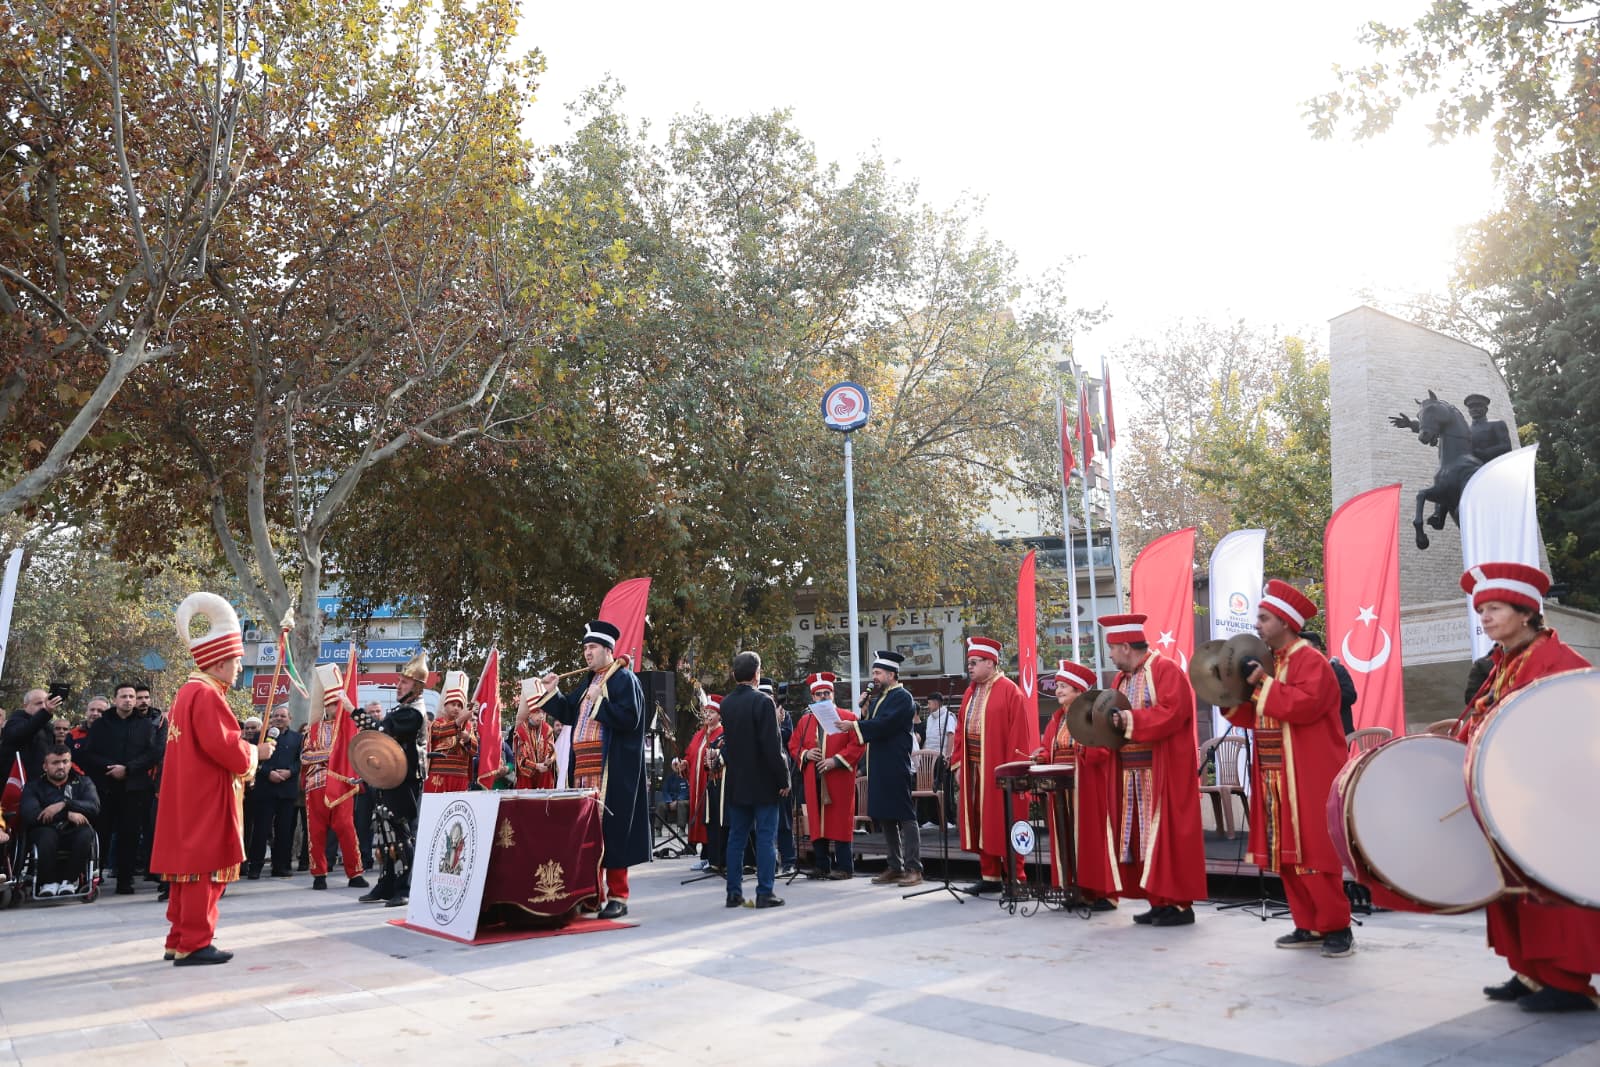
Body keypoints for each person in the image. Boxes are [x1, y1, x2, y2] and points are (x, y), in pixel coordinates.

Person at [1456, 562, 1596, 1012]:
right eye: (1481, 610)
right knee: (1513, 886)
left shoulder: (1562, 663)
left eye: (1494, 608)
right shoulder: (1503, 663)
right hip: (1510, 794)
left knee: (1550, 888)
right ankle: (1531, 971)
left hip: (1552, 800)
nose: (1485, 617)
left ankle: (1568, 981)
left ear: (1526, 612)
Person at [1223, 583, 1355, 957]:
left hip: (1307, 773)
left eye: (1264, 618)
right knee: (1285, 852)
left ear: (1285, 620)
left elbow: (1302, 706)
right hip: (1273, 771)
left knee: (1315, 853)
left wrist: (1260, 683)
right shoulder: (1274, 663)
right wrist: (1228, 697)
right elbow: (1258, 712)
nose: (1258, 625)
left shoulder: (1311, 661)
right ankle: (1308, 923)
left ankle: (1337, 927)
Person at [151, 592, 266, 966]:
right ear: (218, 662)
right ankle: (196, 942)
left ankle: (178, 938)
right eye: (235, 661)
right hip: (206, 796)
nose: (238, 667)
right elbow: (225, 747)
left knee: (185, 872)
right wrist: (254, 753)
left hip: (187, 794)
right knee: (205, 868)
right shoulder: (207, 695)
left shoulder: (186, 692)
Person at [1095, 613, 1209, 928]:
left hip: (1162, 771)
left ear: (1125, 646)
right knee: (1140, 838)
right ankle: (1158, 900)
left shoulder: (1165, 669)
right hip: (1129, 772)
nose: (1110, 656)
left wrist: (1129, 722)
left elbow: (1173, 712)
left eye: (1112, 650)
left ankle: (1180, 905)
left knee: (1165, 836)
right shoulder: (1121, 680)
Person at [539, 620, 649, 920]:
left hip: (609, 770)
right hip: (583, 770)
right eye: (585, 648)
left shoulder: (624, 679)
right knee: (588, 834)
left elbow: (631, 719)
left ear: (607, 650)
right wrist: (553, 691)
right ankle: (591, 894)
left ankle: (617, 895)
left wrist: (599, 700)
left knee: (612, 833)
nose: (587, 654)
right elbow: (568, 711)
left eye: (592, 648)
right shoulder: (589, 680)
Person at [951, 636, 1038, 895]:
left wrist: (1014, 771)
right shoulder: (970, 692)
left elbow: (1019, 735)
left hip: (1000, 769)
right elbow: (959, 731)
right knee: (980, 821)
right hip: (974, 767)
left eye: (975, 662)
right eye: (969, 662)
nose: (970, 667)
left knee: (1006, 820)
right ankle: (989, 876)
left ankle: (1016, 879)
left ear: (991, 663)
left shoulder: (1010, 691)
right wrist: (957, 764)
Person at [1035, 660, 1116, 910]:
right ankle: (1074, 889)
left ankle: (1102, 894)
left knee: (1092, 839)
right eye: (1057, 686)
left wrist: (1083, 747)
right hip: (1061, 789)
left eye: (1064, 687)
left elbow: (1103, 751)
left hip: (1087, 787)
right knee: (1065, 838)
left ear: (1079, 692)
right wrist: (1039, 757)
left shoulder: (1094, 717)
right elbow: (1049, 748)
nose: (1057, 690)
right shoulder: (1057, 719)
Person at [843, 650, 923, 888]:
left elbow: (885, 725)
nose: (874, 677)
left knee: (905, 814)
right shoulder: (881, 698)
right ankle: (895, 866)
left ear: (891, 674)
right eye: (874, 673)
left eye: (878, 673)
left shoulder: (902, 697)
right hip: (878, 763)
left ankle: (914, 868)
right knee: (885, 814)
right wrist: (865, 711)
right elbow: (875, 723)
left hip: (895, 763)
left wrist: (856, 724)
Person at [355, 653, 430, 909]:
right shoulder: (403, 710)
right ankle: (386, 883)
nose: (399, 685)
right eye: (399, 681)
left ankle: (405, 886)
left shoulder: (414, 713)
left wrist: (352, 711)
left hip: (406, 778)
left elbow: (381, 732)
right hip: (391, 775)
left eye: (405, 682)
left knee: (400, 832)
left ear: (417, 687)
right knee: (385, 832)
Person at [718, 652, 789, 909]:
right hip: (764, 782)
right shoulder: (763, 701)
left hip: (738, 782)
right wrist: (783, 778)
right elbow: (772, 747)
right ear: (757, 673)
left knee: (736, 838)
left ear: (735, 674)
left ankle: (733, 893)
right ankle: (764, 892)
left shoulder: (726, 704)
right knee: (766, 837)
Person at [80, 682, 161, 895]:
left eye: (131, 696)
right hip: (106, 788)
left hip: (134, 788)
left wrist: (128, 769)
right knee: (102, 835)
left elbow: (152, 754)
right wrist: (111, 768)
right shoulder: (101, 724)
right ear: (115, 699)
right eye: (123, 696)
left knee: (130, 835)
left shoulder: (145, 725)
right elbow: (89, 753)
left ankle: (125, 880)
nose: (128, 700)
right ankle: (93, 878)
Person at [790, 672, 864, 880]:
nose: (823, 697)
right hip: (813, 777)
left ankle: (844, 867)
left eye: (827, 693)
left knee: (840, 820)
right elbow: (794, 745)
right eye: (818, 694)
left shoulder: (848, 718)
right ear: (812, 698)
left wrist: (836, 760)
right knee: (816, 820)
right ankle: (822, 865)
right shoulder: (805, 721)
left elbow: (858, 744)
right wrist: (805, 754)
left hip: (838, 777)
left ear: (833, 695)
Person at [301, 665, 367, 891]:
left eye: (338, 704)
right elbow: (305, 755)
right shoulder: (313, 729)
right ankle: (319, 874)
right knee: (316, 831)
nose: (334, 708)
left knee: (346, 827)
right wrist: (329, 756)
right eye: (331, 704)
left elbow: (355, 754)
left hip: (341, 785)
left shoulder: (349, 729)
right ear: (325, 706)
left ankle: (355, 873)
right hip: (316, 785)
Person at [20, 744, 100, 897]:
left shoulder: (84, 782)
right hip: (45, 831)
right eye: (55, 763)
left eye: (65, 761)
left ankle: (69, 881)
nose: (61, 766)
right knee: (46, 836)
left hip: (74, 830)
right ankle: (48, 883)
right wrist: (67, 814)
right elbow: (31, 814)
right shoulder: (33, 787)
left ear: (70, 763)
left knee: (85, 834)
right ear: (45, 766)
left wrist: (65, 804)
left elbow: (94, 807)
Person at [246, 705, 300, 879]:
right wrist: (268, 772)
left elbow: (301, 760)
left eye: (282, 716)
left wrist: (290, 771)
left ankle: (281, 866)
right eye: (275, 716)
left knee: (284, 831)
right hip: (265, 789)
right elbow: (253, 759)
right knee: (260, 831)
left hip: (287, 789)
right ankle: (255, 867)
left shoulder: (298, 738)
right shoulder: (260, 737)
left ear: (289, 718)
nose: (278, 718)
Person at [674, 696, 725, 871]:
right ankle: (705, 855)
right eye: (705, 712)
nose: (707, 715)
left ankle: (712, 856)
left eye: (711, 712)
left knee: (710, 818)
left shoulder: (722, 733)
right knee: (700, 817)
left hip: (712, 784)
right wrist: (683, 764)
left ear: (719, 715)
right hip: (696, 786)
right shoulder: (699, 734)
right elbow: (690, 756)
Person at [424, 671, 477, 793]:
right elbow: (442, 731)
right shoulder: (436, 723)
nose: (456, 708)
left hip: (461, 776)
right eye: (453, 704)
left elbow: (474, 751)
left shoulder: (468, 726)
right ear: (445, 705)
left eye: (459, 705)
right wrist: (463, 718)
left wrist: (468, 738)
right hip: (439, 776)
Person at [1301, 631, 1359, 736]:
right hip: (1312, 734)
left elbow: (1351, 696)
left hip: (1338, 733)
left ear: (1317, 649)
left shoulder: (1336, 670)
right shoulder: (1299, 674)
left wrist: (1325, 694)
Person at [4, 688, 64, 787]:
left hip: (41, 784)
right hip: (18, 783)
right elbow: (23, 732)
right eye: (39, 703)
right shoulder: (16, 720)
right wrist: (45, 713)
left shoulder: (48, 727)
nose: (43, 706)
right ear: (25, 706)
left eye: (45, 703)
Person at [511, 700, 556, 789]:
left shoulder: (548, 729)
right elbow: (521, 759)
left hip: (544, 775)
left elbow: (552, 750)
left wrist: (549, 759)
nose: (541, 715)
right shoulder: (520, 731)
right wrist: (536, 766)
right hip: (527, 776)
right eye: (537, 712)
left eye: (543, 712)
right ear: (530, 713)